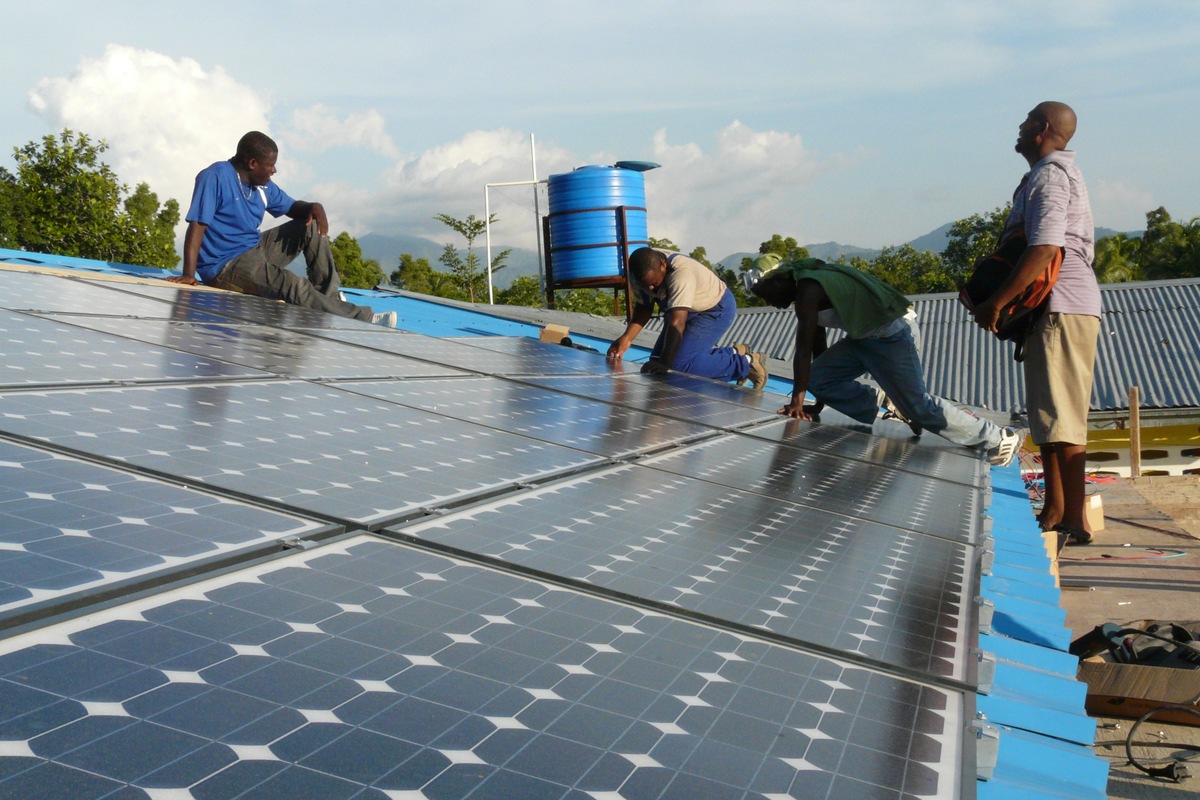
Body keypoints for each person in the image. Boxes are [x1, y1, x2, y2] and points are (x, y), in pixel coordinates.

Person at [971, 102, 1101, 546]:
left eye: (1026, 121)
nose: (1020, 127)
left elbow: (1045, 248)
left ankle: (1075, 518)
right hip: (1054, 308)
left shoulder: (1049, 175)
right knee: (1049, 416)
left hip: (1063, 303)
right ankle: (1056, 510)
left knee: (1062, 417)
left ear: (1042, 129)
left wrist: (997, 303)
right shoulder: (1046, 174)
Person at [751, 254, 1021, 466]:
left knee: (919, 406)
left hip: (893, 336)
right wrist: (816, 402)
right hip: (862, 339)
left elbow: (802, 346)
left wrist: (797, 402)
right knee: (818, 377)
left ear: (778, 281)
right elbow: (817, 350)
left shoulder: (808, 289)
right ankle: (885, 400)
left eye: (765, 295)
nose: (770, 303)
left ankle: (997, 438)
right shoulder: (807, 284)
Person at [169, 131, 396, 327]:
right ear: (252, 163)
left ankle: (331, 299)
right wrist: (189, 274)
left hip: (254, 250)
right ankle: (365, 318)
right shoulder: (215, 177)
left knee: (310, 224)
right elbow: (197, 225)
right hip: (225, 266)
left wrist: (314, 207)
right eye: (270, 165)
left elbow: (291, 207)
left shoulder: (262, 186)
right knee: (291, 284)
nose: (274, 170)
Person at [606, 247, 767, 389]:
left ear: (663, 265)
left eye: (654, 284)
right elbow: (644, 307)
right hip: (686, 310)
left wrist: (665, 364)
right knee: (654, 361)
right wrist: (626, 339)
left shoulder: (681, 274)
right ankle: (732, 352)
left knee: (677, 367)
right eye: (645, 285)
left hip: (714, 309)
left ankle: (747, 363)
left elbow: (677, 322)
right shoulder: (639, 274)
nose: (650, 288)